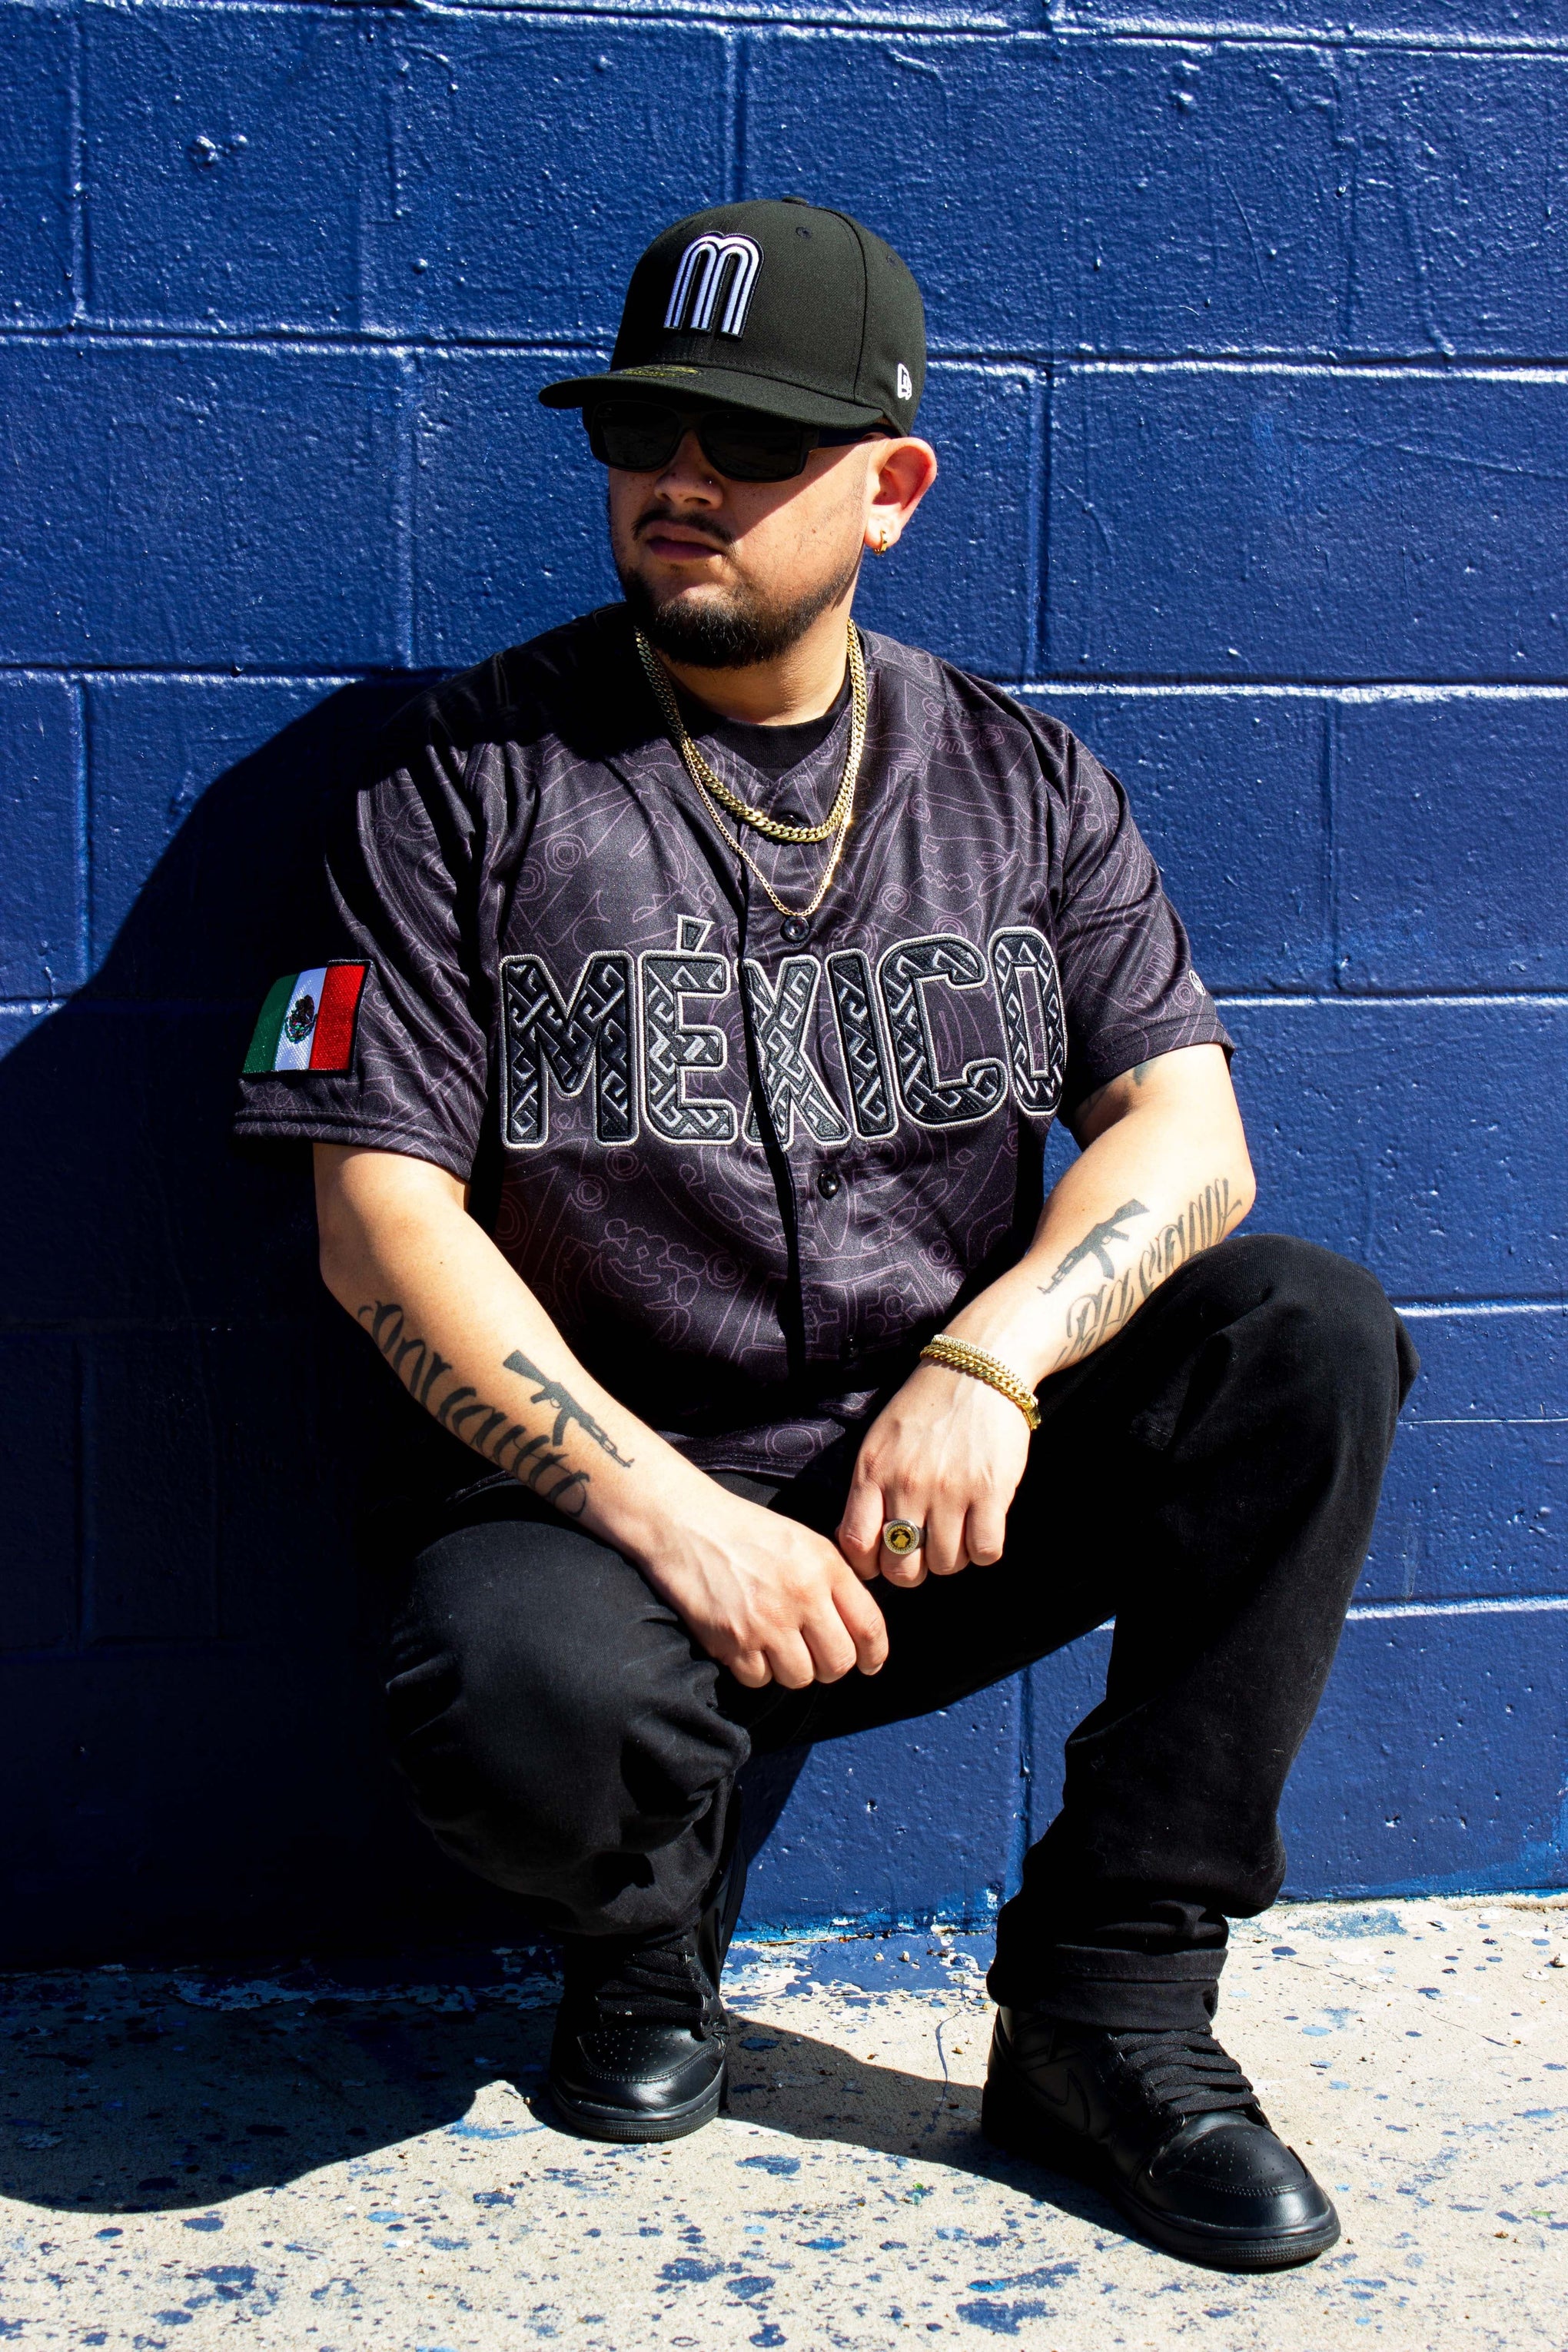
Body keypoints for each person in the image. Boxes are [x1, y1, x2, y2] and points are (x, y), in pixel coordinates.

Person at [234, 198, 1416, 2274]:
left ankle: (1109, 2006)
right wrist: (679, 1521)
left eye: (753, 442)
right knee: (510, 1688)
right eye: (642, 430)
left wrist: (989, 1364)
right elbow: (375, 1219)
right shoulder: (463, 783)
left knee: (1305, 1337)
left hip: (928, 1490)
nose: (680, 480)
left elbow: (1189, 1131)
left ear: (890, 487)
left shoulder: (1016, 778)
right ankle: (642, 1928)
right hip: (610, 1524)